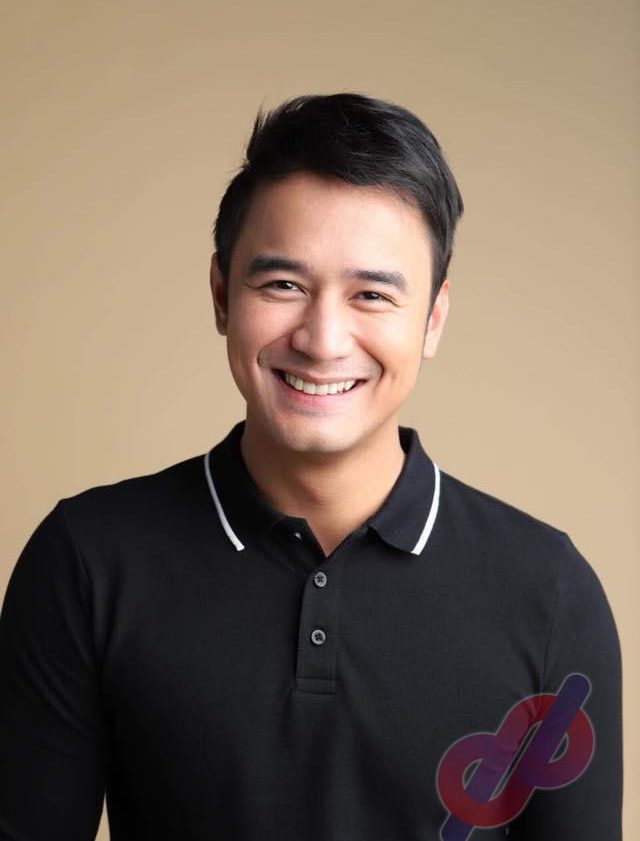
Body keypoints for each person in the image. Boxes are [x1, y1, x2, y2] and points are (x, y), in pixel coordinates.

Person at [0, 93, 622, 840]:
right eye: (283, 286)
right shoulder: (87, 559)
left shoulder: (549, 593)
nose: (323, 340)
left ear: (432, 319)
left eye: (372, 295)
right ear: (221, 294)